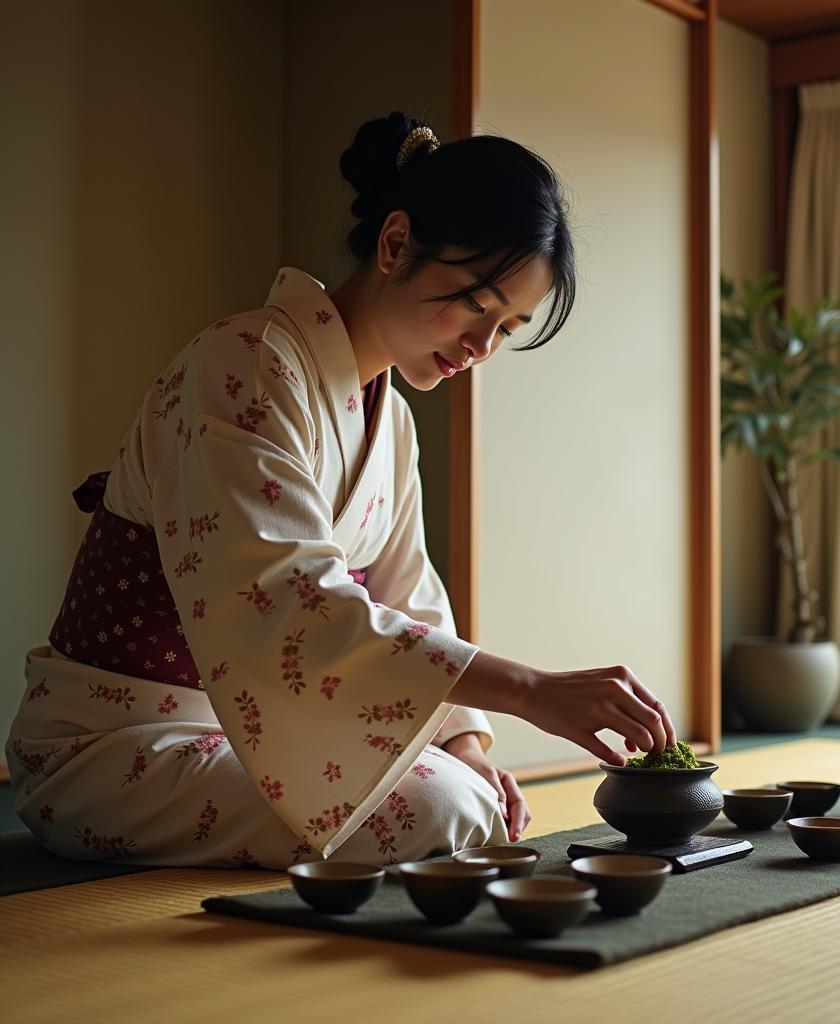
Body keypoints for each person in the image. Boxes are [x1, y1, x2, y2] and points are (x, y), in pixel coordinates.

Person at [5, 112, 677, 870]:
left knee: (467, 792)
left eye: (508, 328)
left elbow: (405, 591)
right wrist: (527, 690)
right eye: (477, 306)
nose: (481, 348)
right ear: (396, 245)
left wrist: (464, 740)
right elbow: (286, 601)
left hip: (234, 738)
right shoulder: (245, 364)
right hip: (113, 747)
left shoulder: (387, 417)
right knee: (444, 811)